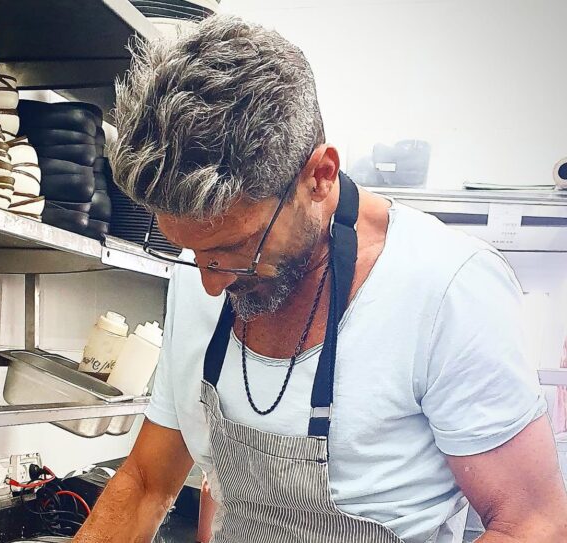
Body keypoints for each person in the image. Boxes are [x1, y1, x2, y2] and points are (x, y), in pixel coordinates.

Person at [74, 15, 567, 543]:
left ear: (320, 176)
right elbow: (146, 483)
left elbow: (532, 523)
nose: (210, 284)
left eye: (236, 250)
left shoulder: (446, 288)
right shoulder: (203, 269)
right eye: (191, 251)